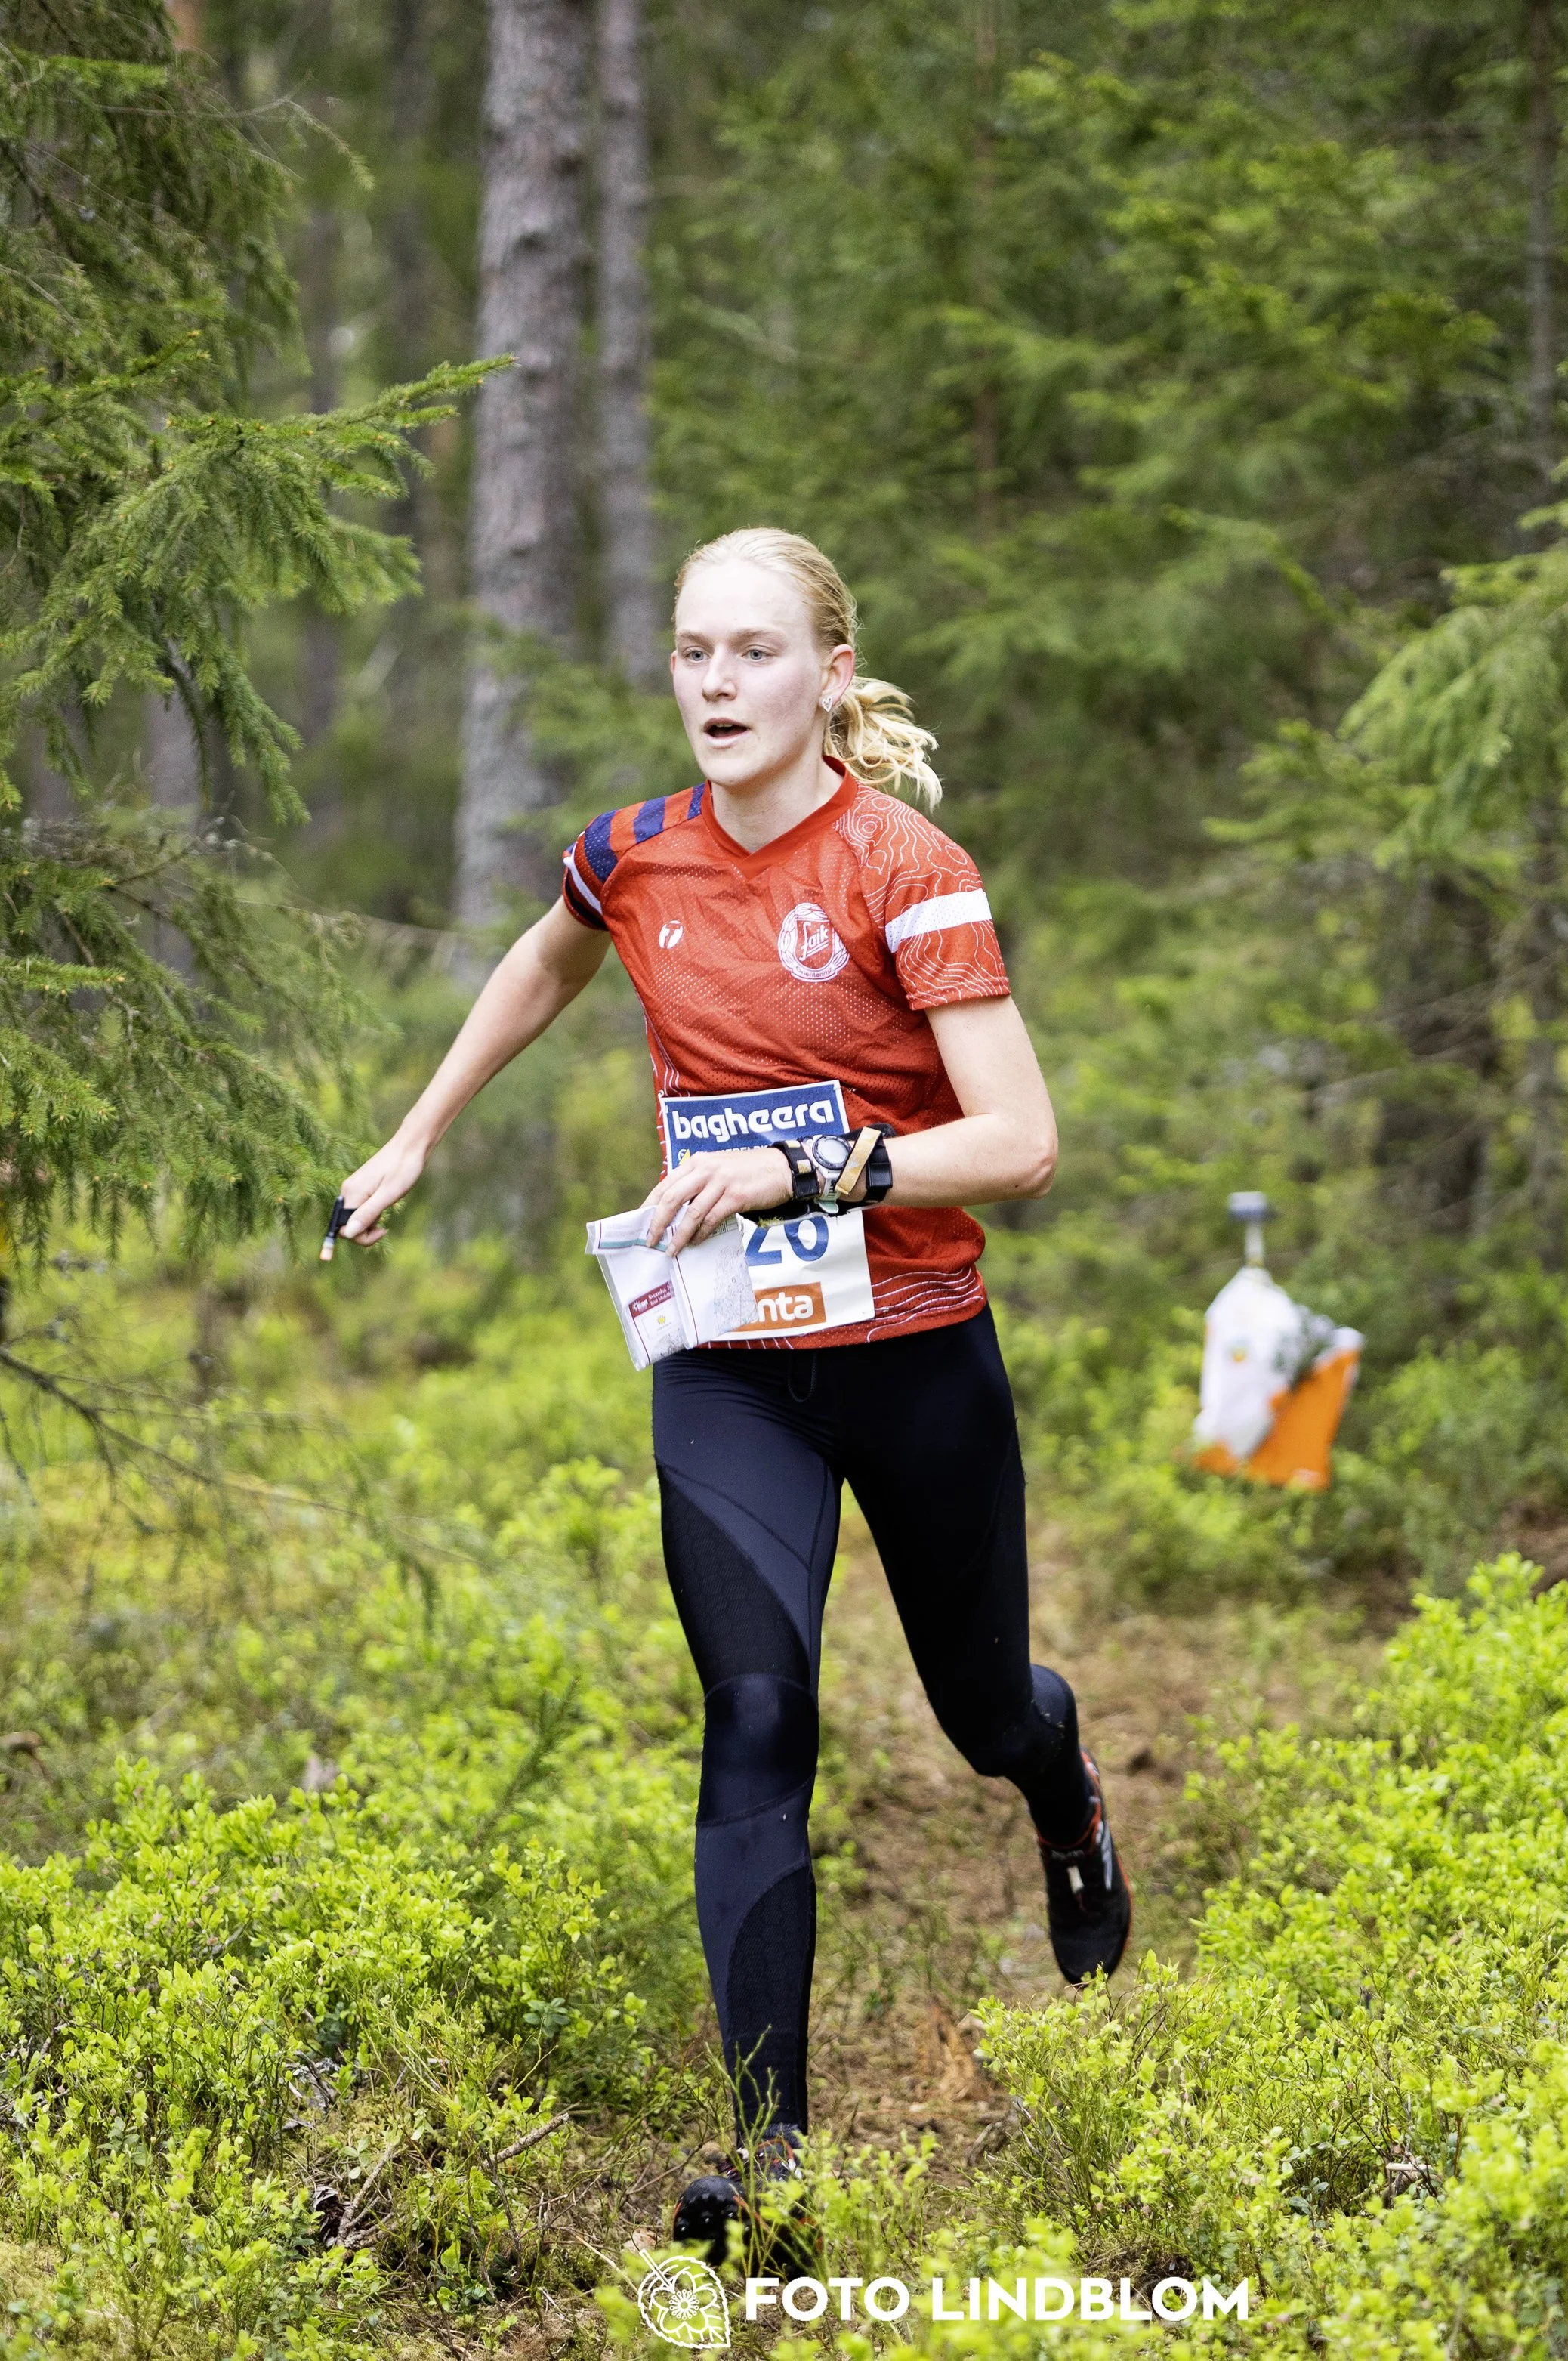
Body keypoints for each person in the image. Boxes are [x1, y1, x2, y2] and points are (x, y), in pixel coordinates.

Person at [335, 527, 1131, 2260]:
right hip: (728, 1361)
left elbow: (1020, 1142)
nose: (715, 682)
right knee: (755, 1708)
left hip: (913, 1349)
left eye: (753, 652)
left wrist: (804, 1169)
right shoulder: (631, 851)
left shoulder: (904, 866)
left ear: (828, 674)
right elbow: (549, 953)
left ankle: (1061, 1786)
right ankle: (773, 2156)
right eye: (693, 650)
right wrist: (417, 1130)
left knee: (981, 1709)